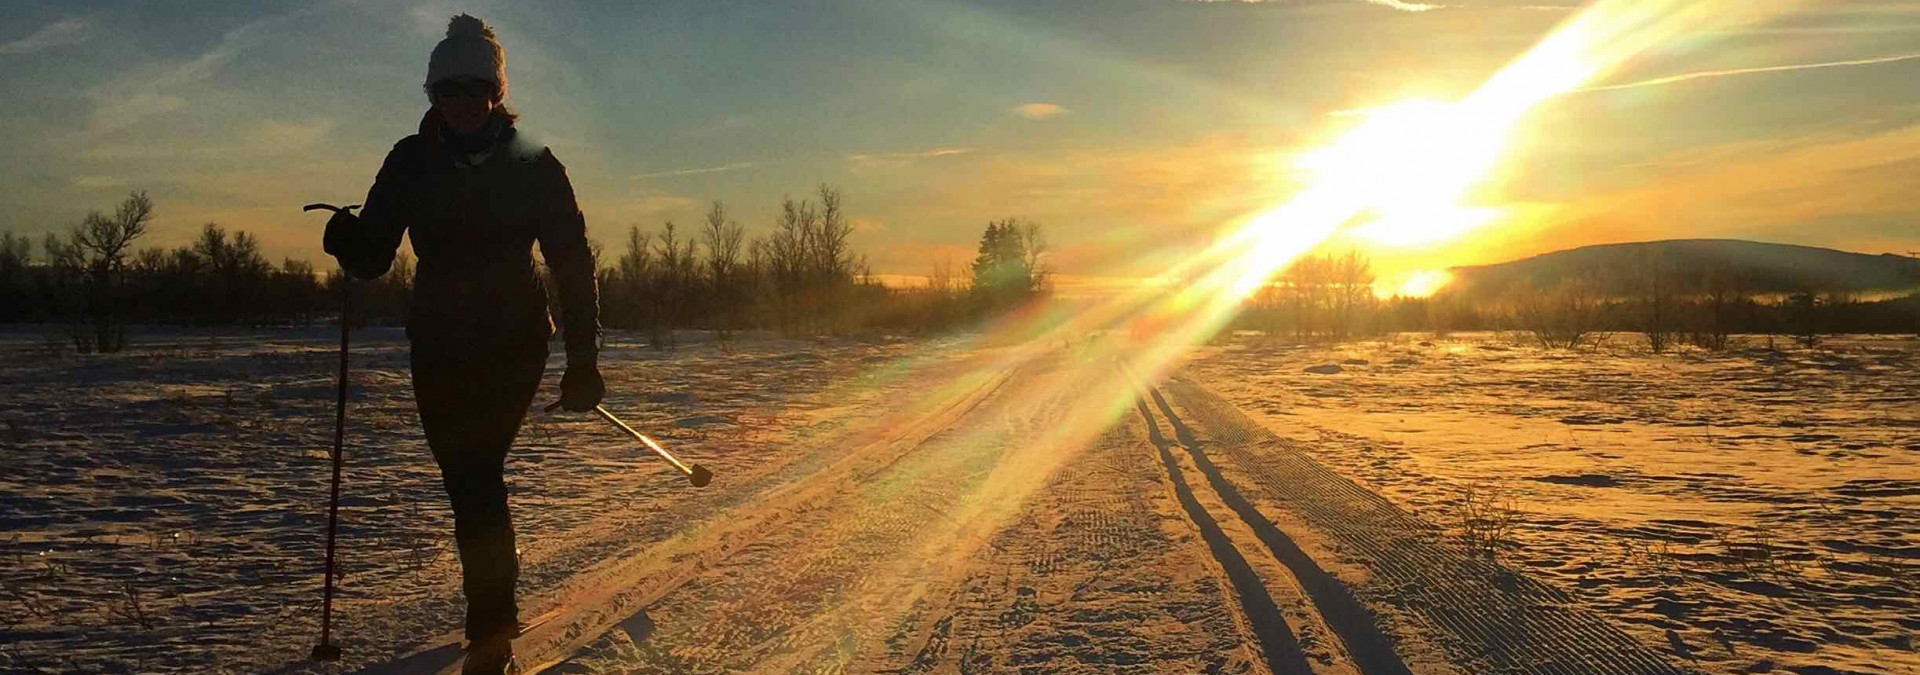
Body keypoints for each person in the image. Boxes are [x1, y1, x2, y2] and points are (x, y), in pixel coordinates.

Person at [322, 13, 602, 673]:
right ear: (434, 97)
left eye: (474, 89)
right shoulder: (410, 159)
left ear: (495, 93)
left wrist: (584, 360)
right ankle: (492, 620)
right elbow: (376, 255)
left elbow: (571, 262)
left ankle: (491, 631)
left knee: (476, 472)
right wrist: (347, 239)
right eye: (447, 91)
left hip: (514, 340)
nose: (461, 103)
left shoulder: (533, 160)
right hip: (439, 340)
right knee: (465, 478)